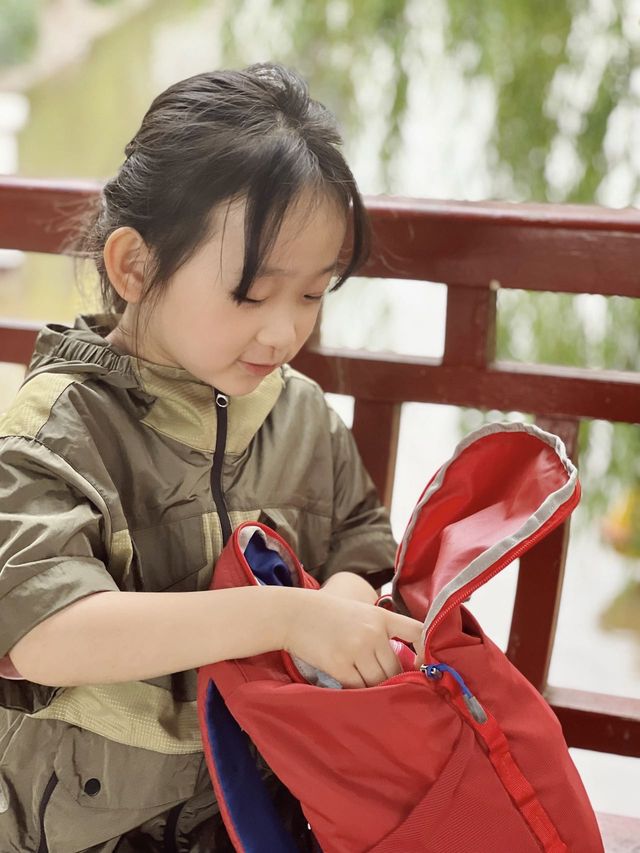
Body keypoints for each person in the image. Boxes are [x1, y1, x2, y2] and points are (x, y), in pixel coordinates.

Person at [0, 63, 423, 851]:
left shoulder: (297, 414)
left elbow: (360, 542)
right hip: (86, 832)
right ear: (134, 267)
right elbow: (43, 630)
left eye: (313, 293)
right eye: (253, 294)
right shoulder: (56, 430)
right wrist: (289, 617)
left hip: (258, 820)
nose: (284, 332)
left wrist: (340, 604)